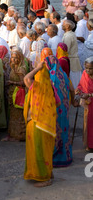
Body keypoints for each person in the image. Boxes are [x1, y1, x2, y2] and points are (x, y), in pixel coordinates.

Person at [23, 58, 58, 187]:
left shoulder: (36, 87)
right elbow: (58, 103)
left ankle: (44, 178)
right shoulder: (51, 89)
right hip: (47, 125)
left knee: (38, 151)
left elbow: (26, 78)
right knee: (46, 150)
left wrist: (37, 68)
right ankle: (49, 172)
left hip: (37, 125)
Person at [41, 49, 74, 167]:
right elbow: (71, 88)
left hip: (55, 109)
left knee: (55, 131)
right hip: (64, 109)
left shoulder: (51, 77)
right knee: (64, 130)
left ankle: (56, 158)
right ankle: (66, 156)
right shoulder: (63, 74)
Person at [6, 48, 28, 141]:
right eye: (12, 58)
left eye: (16, 58)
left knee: (19, 116)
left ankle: (20, 135)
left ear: (19, 58)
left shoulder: (21, 69)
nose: (13, 60)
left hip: (18, 94)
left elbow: (24, 83)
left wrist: (12, 82)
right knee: (13, 116)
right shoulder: (13, 67)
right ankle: (13, 135)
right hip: (13, 94)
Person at [76, 57, 93, 151]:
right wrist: (78, 90)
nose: (88, 70)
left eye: (90, 68)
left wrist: (90, 94)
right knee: (88, 124)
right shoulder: (84, 74)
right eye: (86, 68)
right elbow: (81, 85)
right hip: (88, 104)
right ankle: (89, 144)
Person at [62, 19, 82, 89]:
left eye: (63, 24)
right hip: (72, 60)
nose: (62, 25)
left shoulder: (68, 36)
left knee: (73, 83)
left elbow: (65, 50)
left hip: (72, 62)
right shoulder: (69, 34)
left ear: (67, 26)